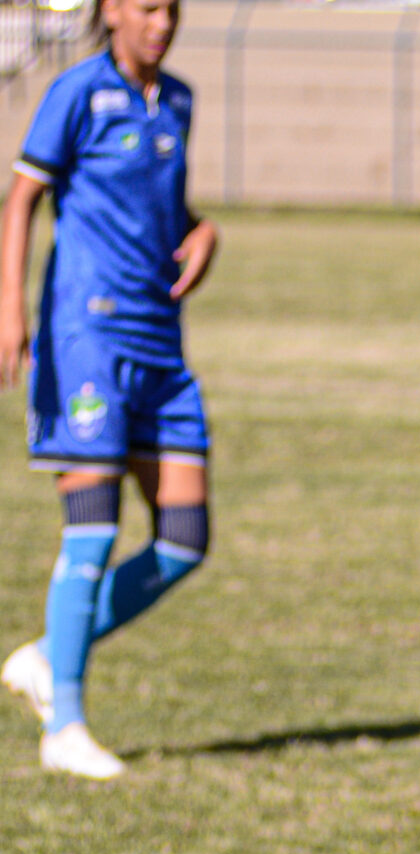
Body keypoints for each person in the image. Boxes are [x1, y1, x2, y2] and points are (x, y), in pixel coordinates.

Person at [0, 0, 219, 780]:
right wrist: (9, 309)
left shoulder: (180, 101)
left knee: (185, 539)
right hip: (84, 338)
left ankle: (44, 656)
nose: (161, 23)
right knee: (90, 531)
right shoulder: (77, 92)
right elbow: (21, 198)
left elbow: (160, 210)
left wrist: (203, 231)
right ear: (112, 12)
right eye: (146, 8)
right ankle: (66, 724)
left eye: (170, 9)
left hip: (160, 347)